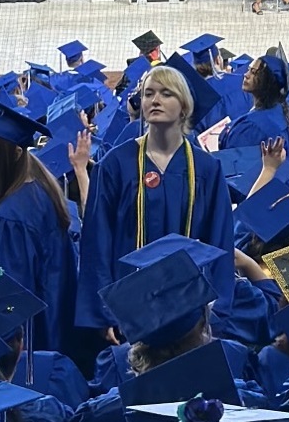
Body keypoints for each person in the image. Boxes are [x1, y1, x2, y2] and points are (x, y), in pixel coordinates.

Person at [75, 64, 235, 333]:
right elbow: (97, 242)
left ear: (184, 105)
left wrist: (214, 307)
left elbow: (220, 241)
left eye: (166, 93)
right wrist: (107, 311)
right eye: (149, 94)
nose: (155, 100)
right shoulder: (116, 164)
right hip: (130, 307)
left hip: (189, 305)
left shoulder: (205, 169)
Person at [0, 96, 79, 353]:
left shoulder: (9, 221)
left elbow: (6, 302)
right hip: (52, 333)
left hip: (25, 347)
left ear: (15, 153)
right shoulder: (39, 192)